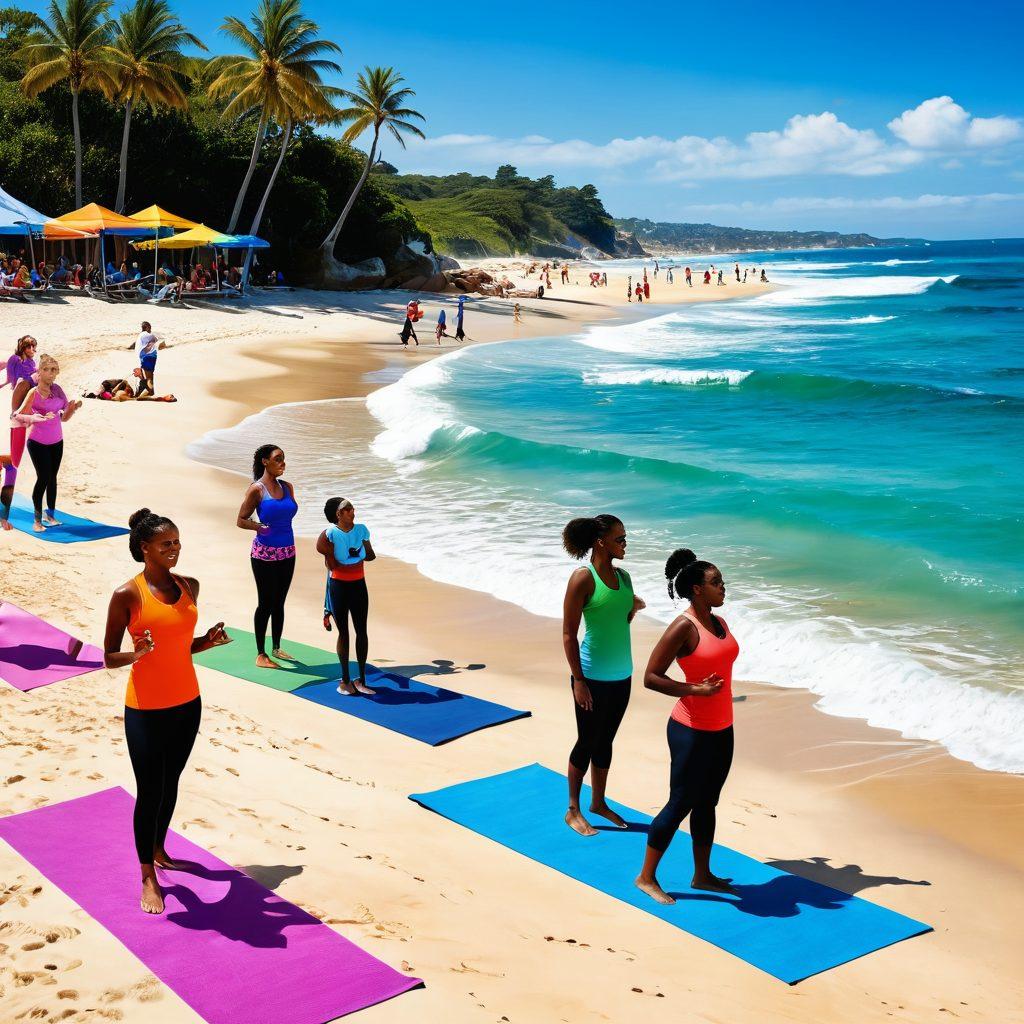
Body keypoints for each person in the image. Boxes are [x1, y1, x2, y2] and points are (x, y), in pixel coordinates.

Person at [103, 508, 231, 914]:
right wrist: (135, 654)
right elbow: (108, 657)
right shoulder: (127, 594)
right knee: (150, 789)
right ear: (145, 548)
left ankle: (159, 849)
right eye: (165, 544)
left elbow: (180, 646)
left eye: (176, 542)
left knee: (171, 780)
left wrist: (206, 642)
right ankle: (147, 876)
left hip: (187, 702)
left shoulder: (189, 586)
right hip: (146, 707)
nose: (174, 549)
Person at [634, 548, 739, 905]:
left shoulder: (719, 623)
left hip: (722, 728)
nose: (723, 587)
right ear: (697, 589)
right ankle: (646, 876)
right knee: (680, 802)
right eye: (716, 582)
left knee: (707, 802)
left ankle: (702, 874)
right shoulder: (684, 626)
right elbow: (651, 677)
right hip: (690, 730)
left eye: (722, 581)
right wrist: (695, 689)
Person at [561, 515, 645, 836]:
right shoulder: (583, 578)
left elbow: (622, 619)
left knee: (606, 740)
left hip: (622, 674)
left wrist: (634, 606)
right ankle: (573, 809)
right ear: (601, 542)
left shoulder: (625, 578)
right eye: (619, 539)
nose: (625, 544)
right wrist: (579, 681)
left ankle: (598, 802)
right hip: (591, 676)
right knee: (587, 740)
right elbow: (569, 634)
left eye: (625, 538)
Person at [236, 444, 298, 668]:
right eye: (278, 458)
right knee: (266, 603)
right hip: (264, 554)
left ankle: (277, 647)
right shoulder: (257, 489)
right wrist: (258, 526)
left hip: (288, 551)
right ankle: (261, 654)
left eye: (283, 458)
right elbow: (241, 519)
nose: (283, 463)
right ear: (265, 461)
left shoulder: (288, 487)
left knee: (279, 602)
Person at [316, 497, 376, 695]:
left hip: (359, 584)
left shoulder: (361, 529)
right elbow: (328, 560)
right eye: (347, 509)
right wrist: (333, 555)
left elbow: (370, 555)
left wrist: (360, 547)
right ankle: (345, 681)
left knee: (362, 631)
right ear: (338, 514)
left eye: (352, 508)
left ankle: (362, 680)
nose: (352, 511)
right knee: (344, 633)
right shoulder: (330, 534)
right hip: (339, 586)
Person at [17, 353, 80, 532]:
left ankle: (50, 516)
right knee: (43, 478)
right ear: (39, 371)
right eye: (47, 369)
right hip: (37, 442)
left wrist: (72, 408)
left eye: (54, 370)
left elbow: (64, 418)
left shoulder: (58, 389)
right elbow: (18, 416)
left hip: (57, 441)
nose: (51, 373)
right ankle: (37, 521)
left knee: (52, 479)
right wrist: (36, 418)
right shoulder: (33, 393)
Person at [1, 335, 38, 529]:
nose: (32, 349)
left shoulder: (32, 364)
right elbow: (13, 379)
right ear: (22, 347)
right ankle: (4, 515)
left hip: (23, 415)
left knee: (14, 463)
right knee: (14, 463)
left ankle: (4, 514)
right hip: (18, 414)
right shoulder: (16, 360)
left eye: (34, 346)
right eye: (29, 346)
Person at [136, 321, 159, 397]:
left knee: (147, 375)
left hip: (146, 357)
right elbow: (155, 339)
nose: (150, 330)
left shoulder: (140, 335)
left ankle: (149, 391)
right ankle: (151, 392)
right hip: (149, 357)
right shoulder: (146, 335)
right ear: (147, 327)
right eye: (150, 328)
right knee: (149, 376)